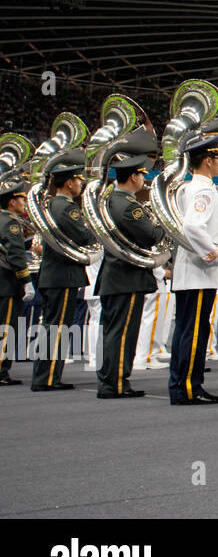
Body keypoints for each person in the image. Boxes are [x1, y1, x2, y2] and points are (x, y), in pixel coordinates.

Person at [170, 135, 218, 404]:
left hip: (192, 272)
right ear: (208, 160)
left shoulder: (188, 188)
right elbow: (192, 227)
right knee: (194, 332)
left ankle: (182, 385)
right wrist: (215, 254)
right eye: (217, 159)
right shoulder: (203, 190)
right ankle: (189, 387)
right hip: (199, 272)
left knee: (187, 330)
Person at [94, 154, 163, 398]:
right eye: (143, 174)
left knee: (112, 331)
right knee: (123, 333)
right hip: (127, 277)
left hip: (115, 276)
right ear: (133, 176)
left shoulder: (110, 201)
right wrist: (163, 219)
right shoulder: (128, 206)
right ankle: (116, 383)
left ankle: (108, 380)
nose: (144, 178)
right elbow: (151, 235)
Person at [31, 158, 95, 392]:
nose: (81, 185)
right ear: (69, 183)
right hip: (63, 274)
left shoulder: (51, 205)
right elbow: (84, 236)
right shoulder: (66, 207)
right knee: (57, 328)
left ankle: (46, 376)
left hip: (54, 275)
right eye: (78, 180)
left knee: (52, 326)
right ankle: (47, 378)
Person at [0, 179, 33, 386]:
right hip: (7, 282)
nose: (24, 202)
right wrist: (26, 281)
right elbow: (16, 255)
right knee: (6, 328)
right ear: (12, 202)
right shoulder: (10, 223)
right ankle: (1, 371)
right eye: (21, 198)